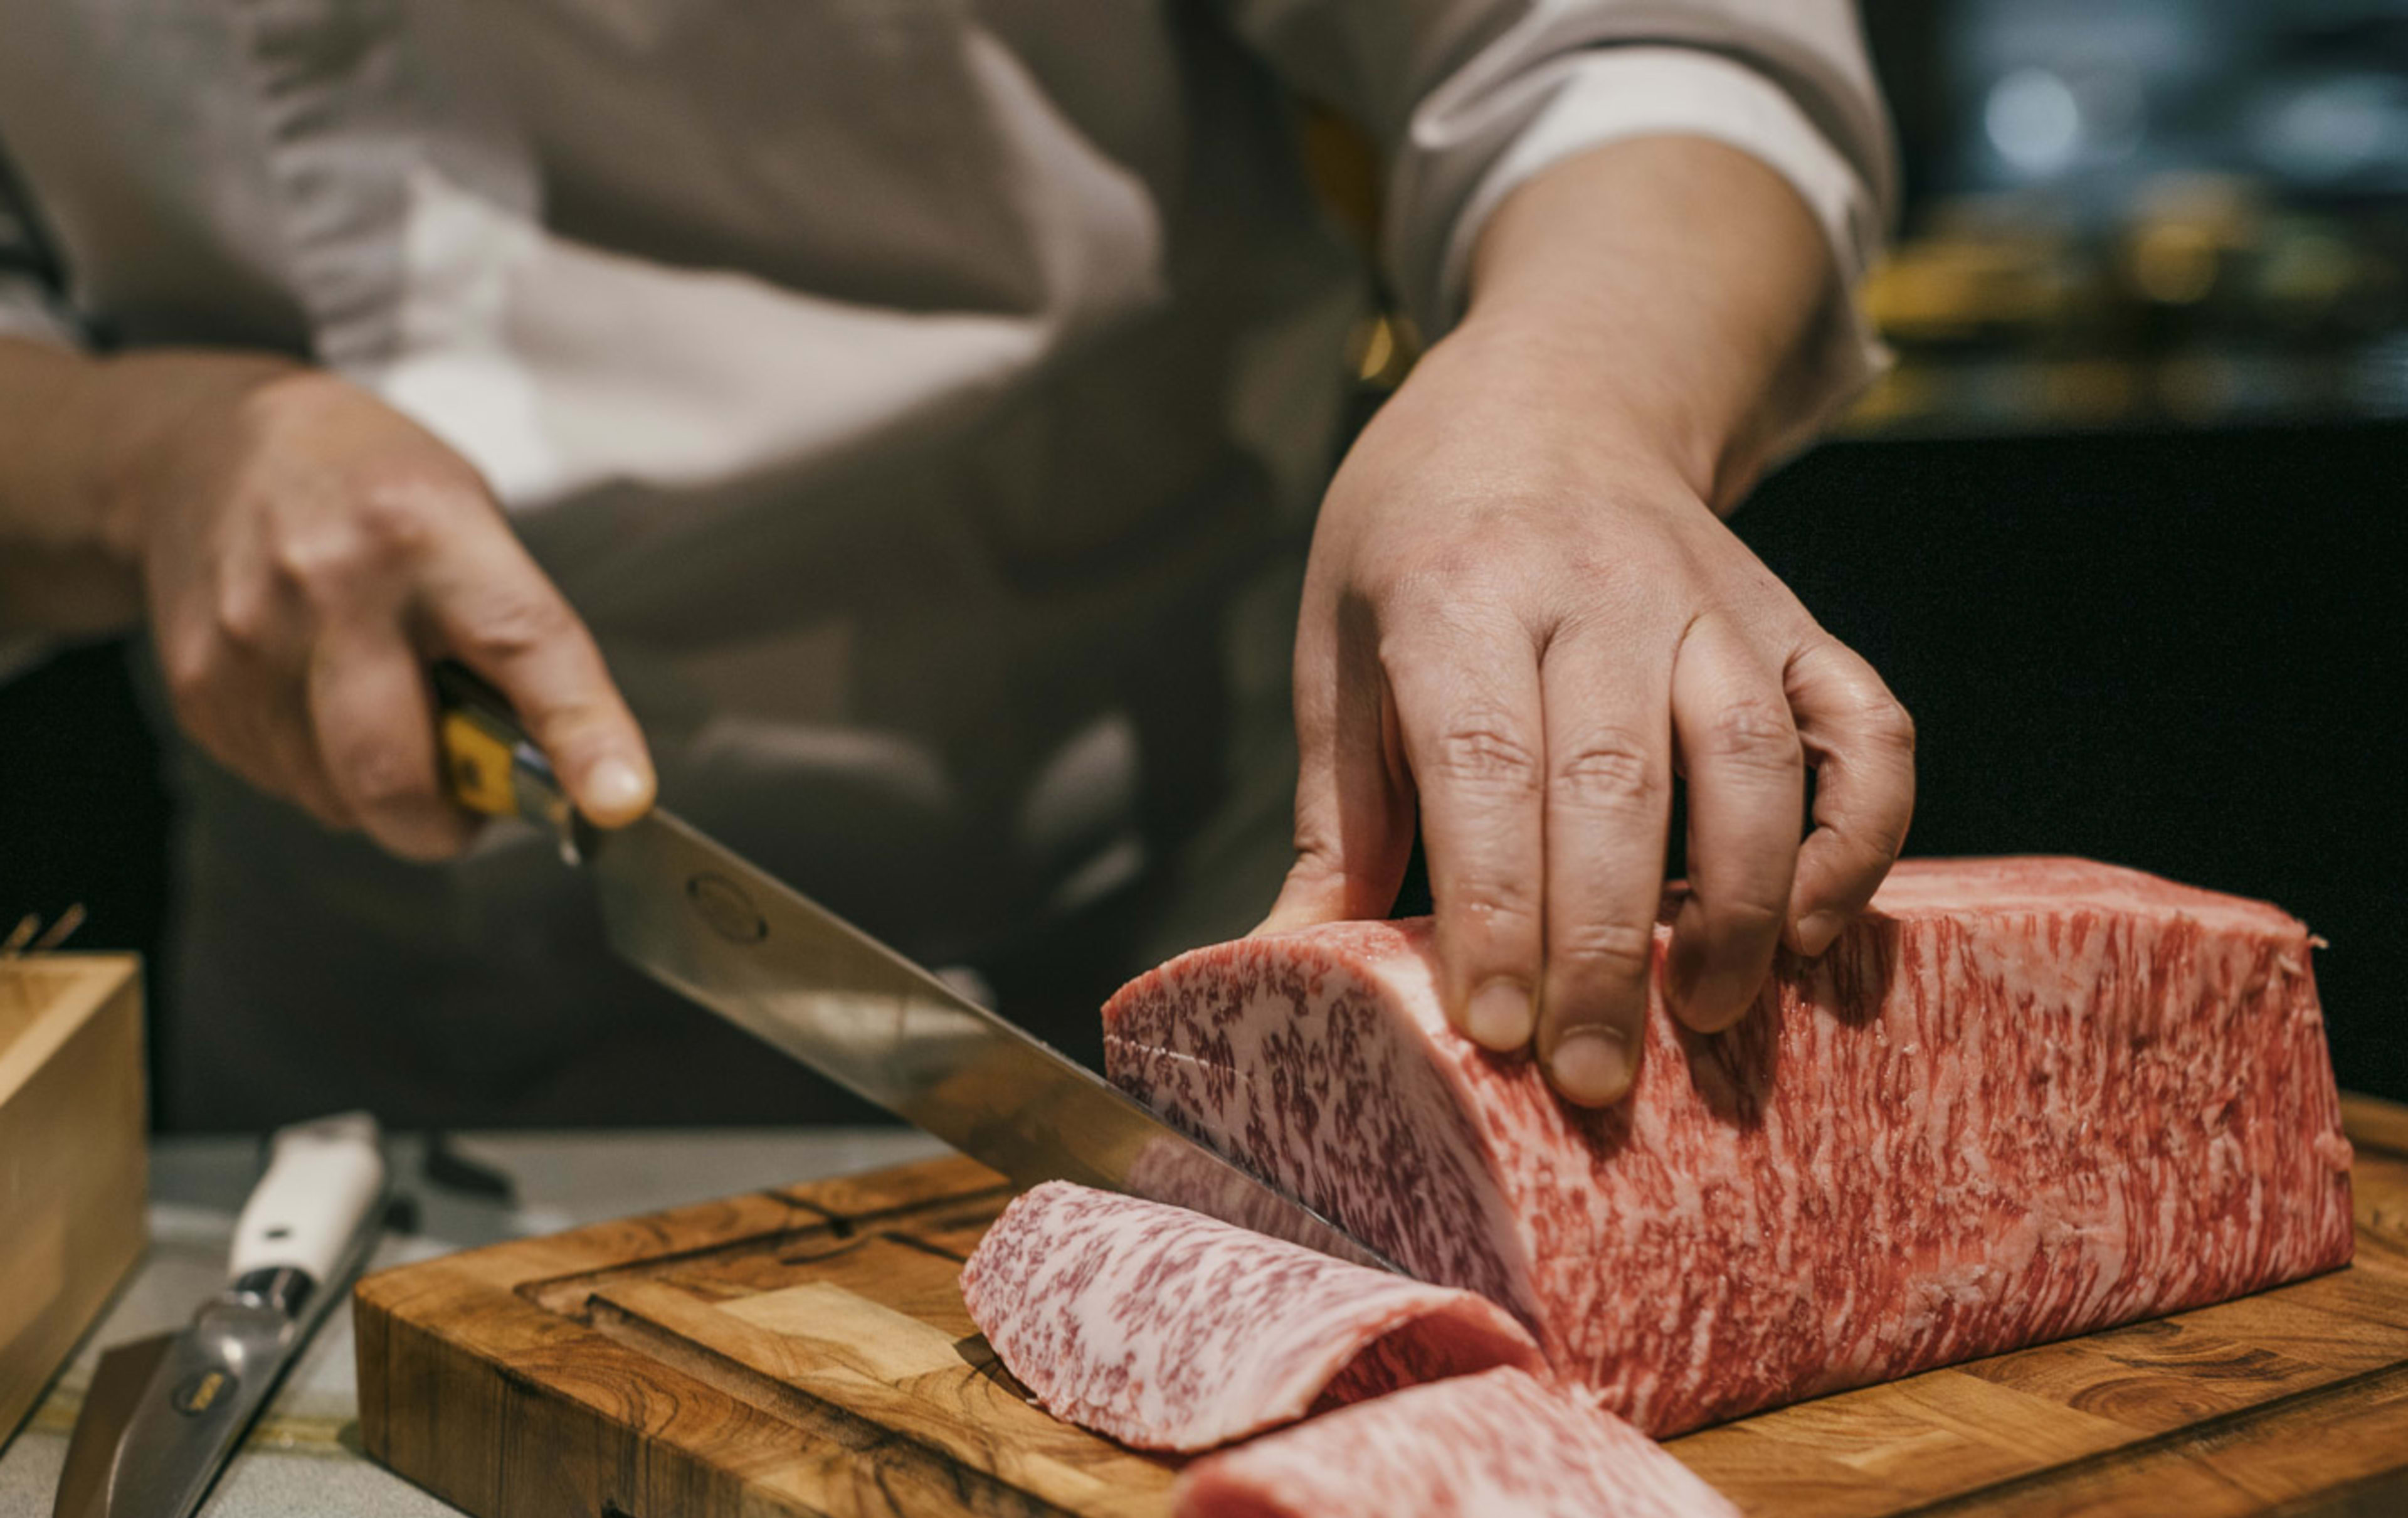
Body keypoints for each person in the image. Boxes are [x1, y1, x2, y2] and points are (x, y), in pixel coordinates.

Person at [0, 1, 1913, 1128]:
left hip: (1171, 932)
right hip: (360, 1063)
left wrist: (1566, 395)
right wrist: (147, 464)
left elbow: (1632, 42)